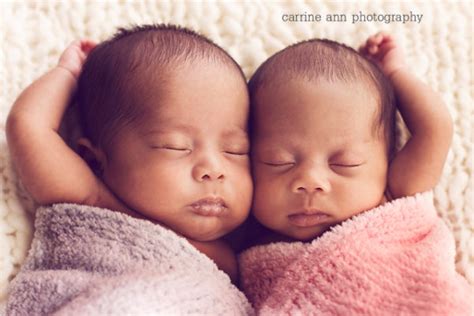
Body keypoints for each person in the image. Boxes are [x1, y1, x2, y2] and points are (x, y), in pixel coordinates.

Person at [238, 32, 472, 314]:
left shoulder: (394, 197)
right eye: (279, 162)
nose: (311, 182)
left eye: (344, 164)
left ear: (386, 162)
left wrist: (395, 74)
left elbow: (435, 128)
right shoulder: (243, 237)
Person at [6, 24, 253, 282]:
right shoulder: (93, 200)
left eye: (235, 151)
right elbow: (29, 124)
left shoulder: (252, 247)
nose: (214, 169)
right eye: (175, 146)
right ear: (95, 161)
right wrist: (68, 74)